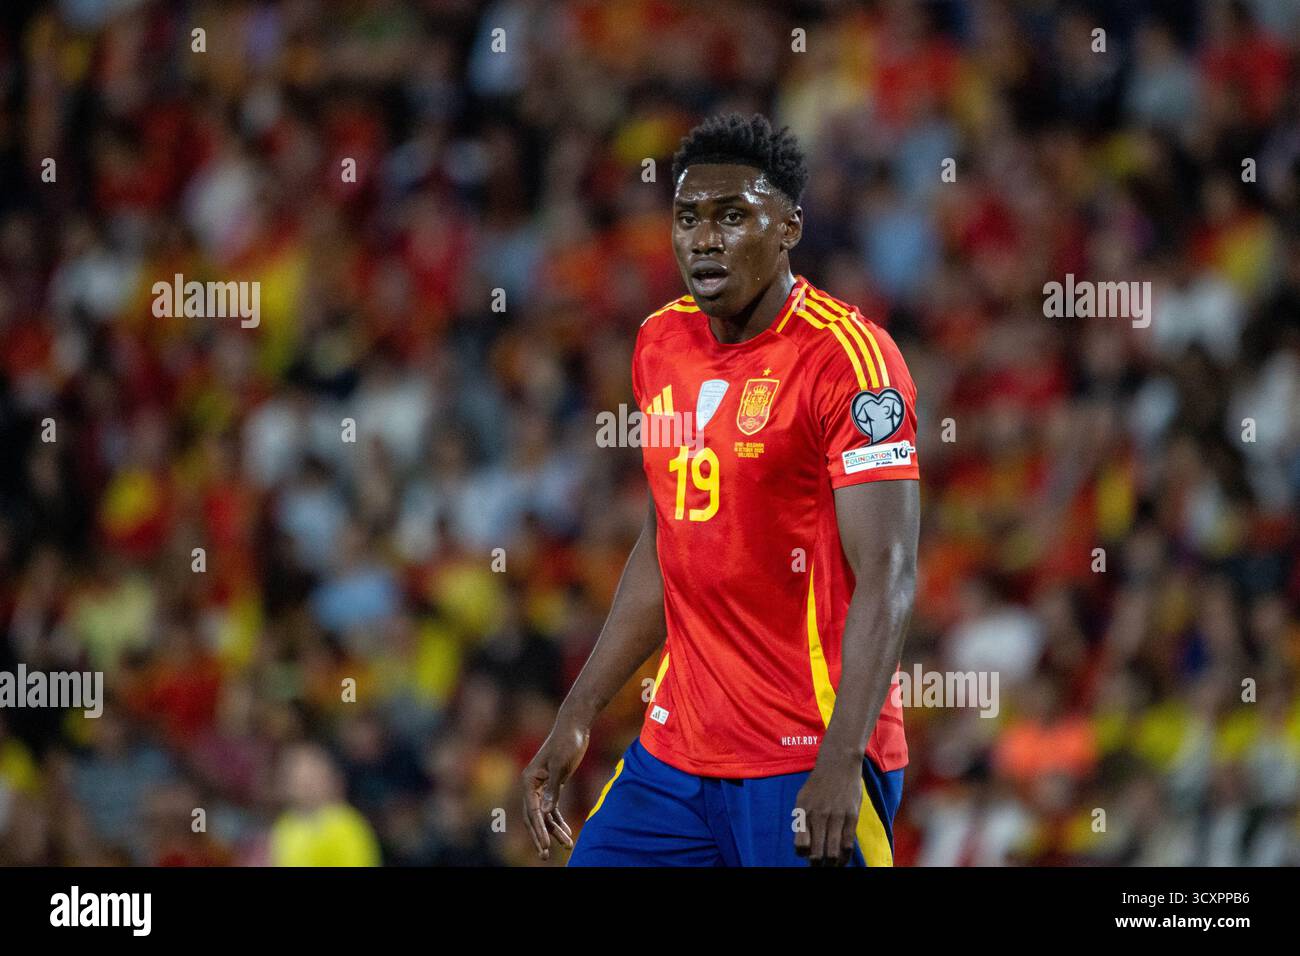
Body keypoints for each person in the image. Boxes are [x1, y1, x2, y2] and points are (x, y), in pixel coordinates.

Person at [523, 113, 920, 866]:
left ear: (788, 228)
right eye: (687, 218)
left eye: (733, 216)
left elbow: (890, 573)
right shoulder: (659, 345)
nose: (704, 238)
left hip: (804, 751)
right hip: (677, 755)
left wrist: (842, 758)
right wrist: (578, 712)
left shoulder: (851, 362)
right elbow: (664, 539)